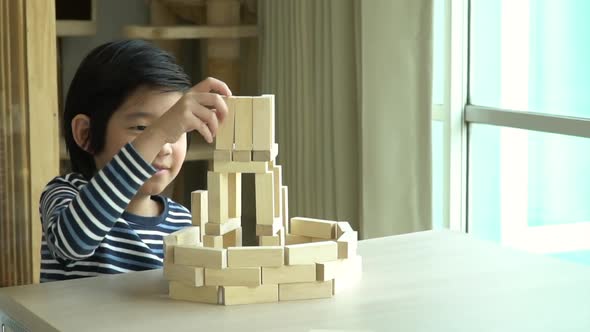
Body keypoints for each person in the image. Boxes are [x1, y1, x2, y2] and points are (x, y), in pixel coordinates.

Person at [39, 39, 231, 281]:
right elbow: (73, 242)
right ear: (85, 134)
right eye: (142, 128)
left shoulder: (182, 220)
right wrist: (161, 130)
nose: (164, 147)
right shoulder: (65, 194)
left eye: (177, 130)